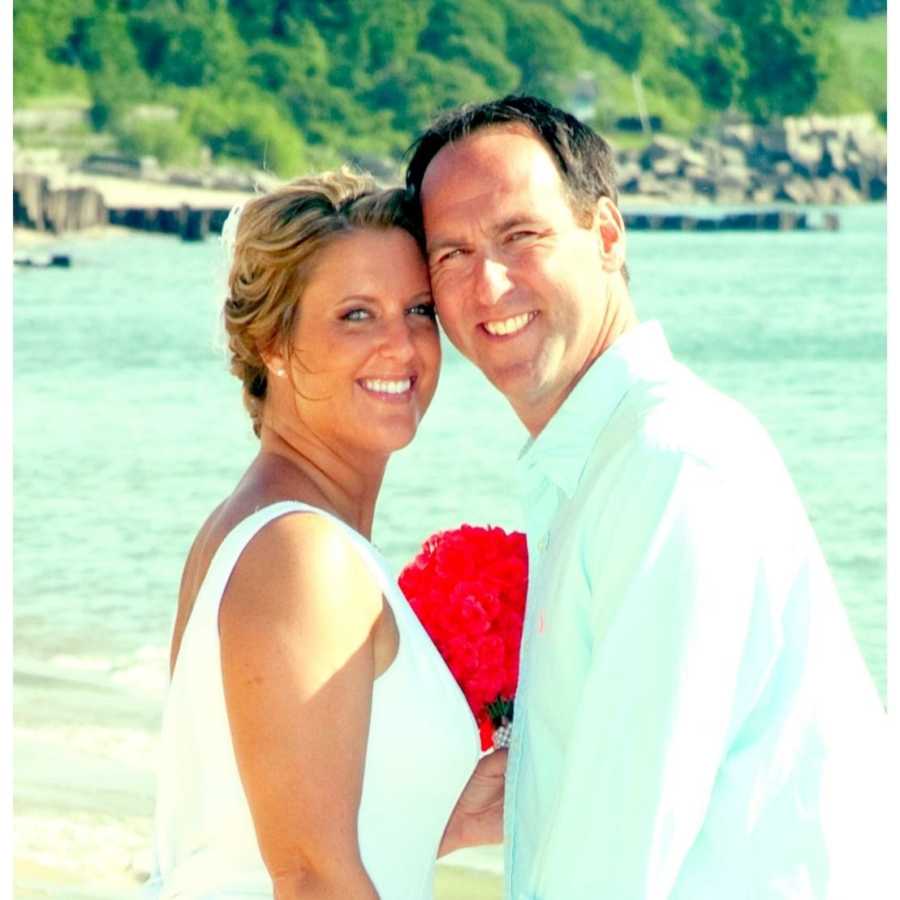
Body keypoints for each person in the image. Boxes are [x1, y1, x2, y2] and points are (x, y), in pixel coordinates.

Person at [405, 95, 893, 898]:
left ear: (605, 236)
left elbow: (616, 862)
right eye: (450, 255)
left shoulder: (669, 467)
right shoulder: (601, 465)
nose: (487, 286)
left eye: (519, 236)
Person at [143, 169, 505, 899]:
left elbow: (252, 827)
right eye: (356, 316)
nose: (402, 347)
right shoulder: (301, 554)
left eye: (417, 310)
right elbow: (312, 879)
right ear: (273, 343)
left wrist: (443, 814)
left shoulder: (254, 529)